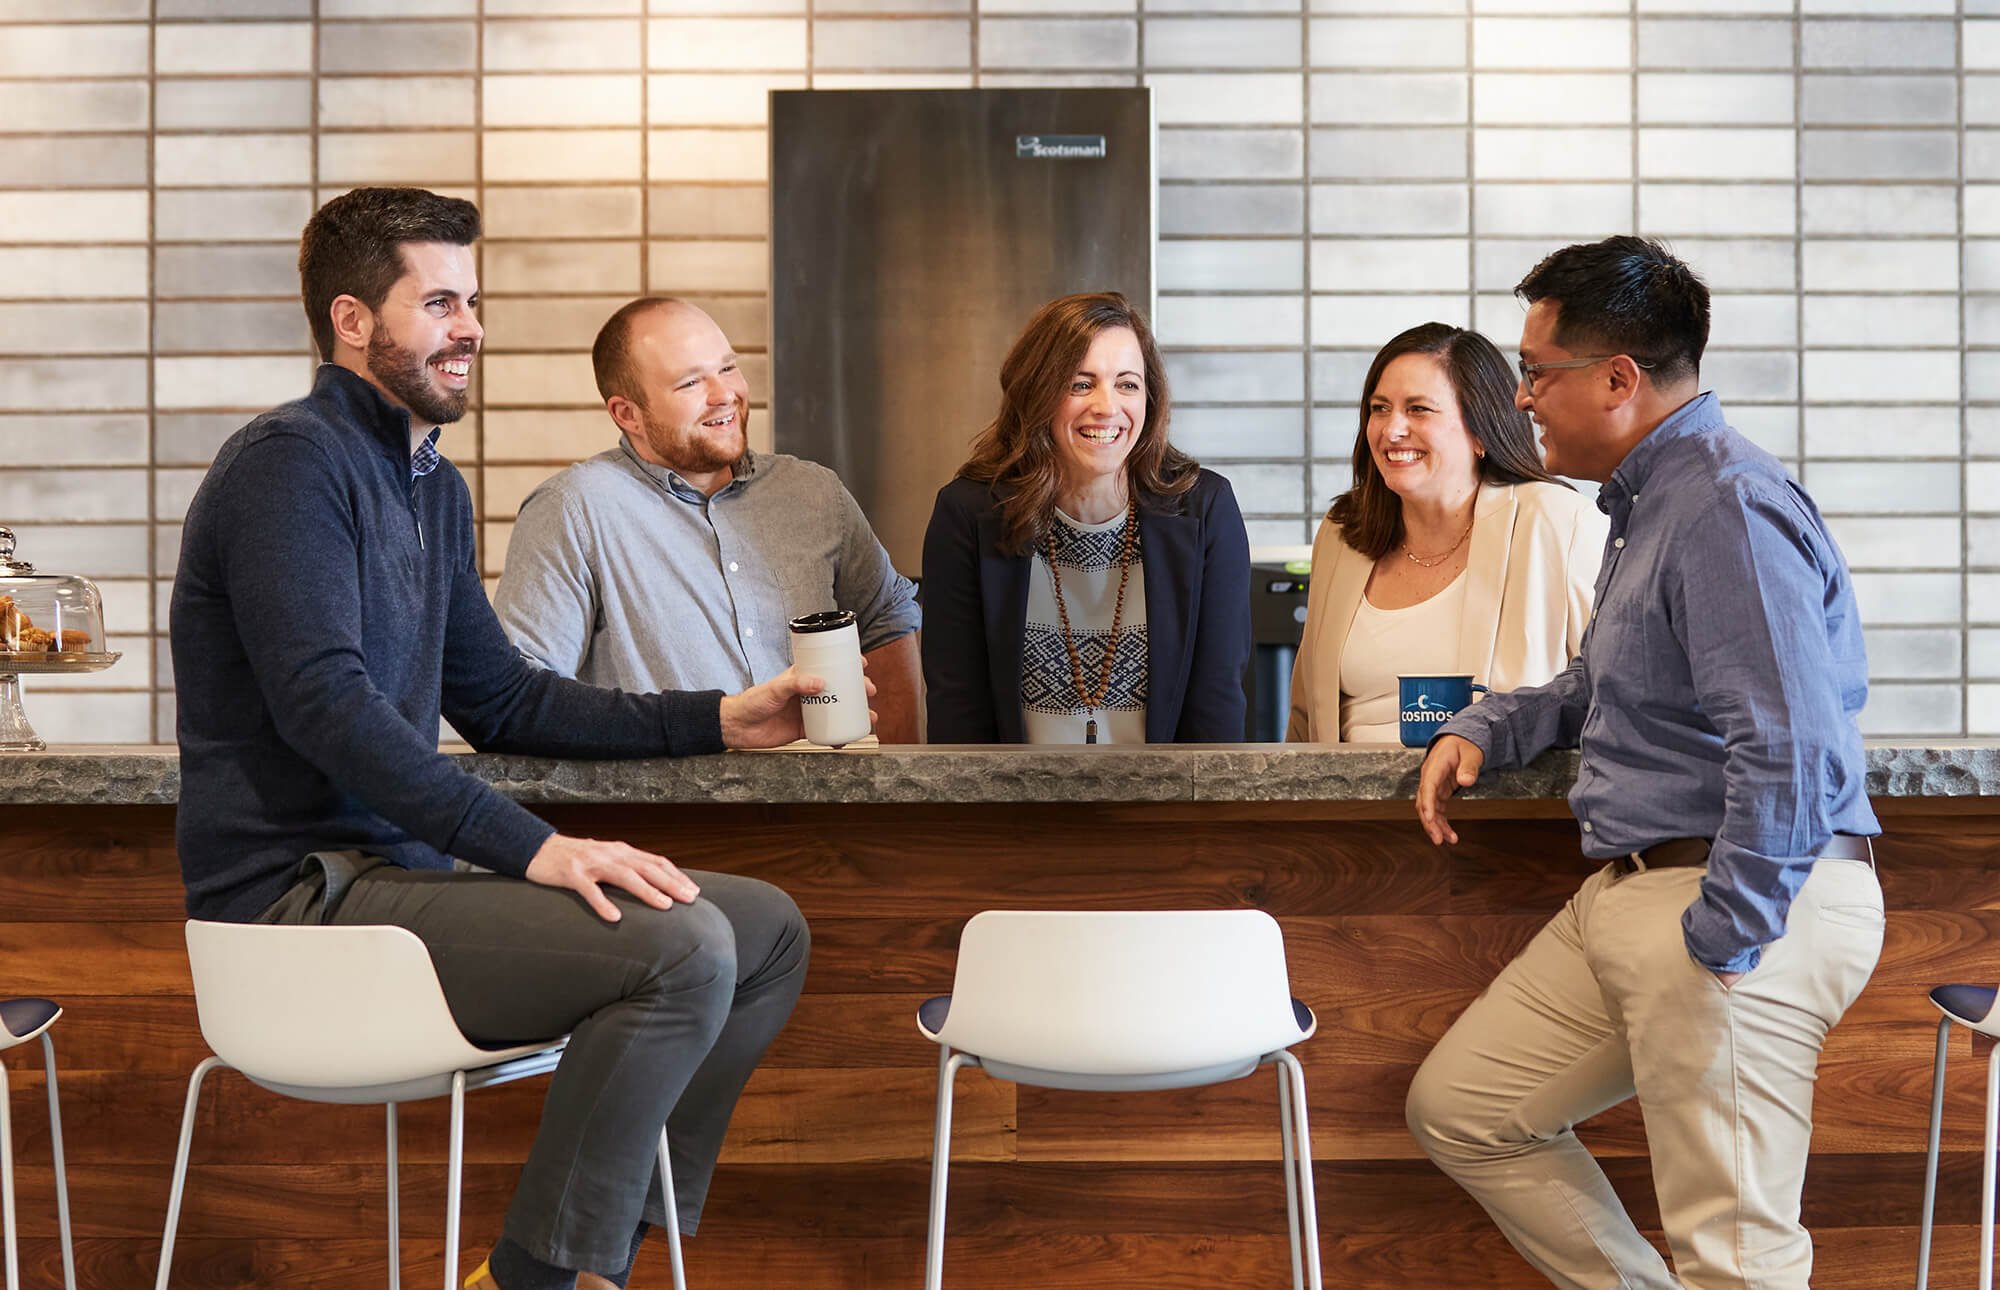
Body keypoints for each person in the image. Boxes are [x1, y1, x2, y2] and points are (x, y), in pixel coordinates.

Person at [170, 188, 855, 1290]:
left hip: (396, 885)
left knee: (761, 930)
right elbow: (324, 707)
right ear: (353, 322)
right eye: (439, 301)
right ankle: (536, 1277)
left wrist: (720, 721)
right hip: (296, 901)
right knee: (680, 949)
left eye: (472, 300)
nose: (471, 326)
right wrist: (536, 848)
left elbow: (503, 699)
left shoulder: (429, 488)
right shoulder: (287, 467)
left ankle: (594, 1263)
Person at [1408, 237, 1883, 1290]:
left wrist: (1726, 935)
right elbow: (1598, 684)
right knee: (1471, 1110)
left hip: (1728, 894)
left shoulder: (1723, 503)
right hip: (1639, 888)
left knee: (1735, 1256)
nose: (1520, 397)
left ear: (1618, 380)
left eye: (1536, 371)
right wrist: (1485, 725)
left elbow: (1791, 745)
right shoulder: (1643, 503)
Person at [494, 297, 922, 743]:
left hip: (823, 809)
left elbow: (886, 624)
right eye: (690, 383)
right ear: (627, 414)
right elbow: (524, 696)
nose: (724, 395)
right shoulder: (573, 510)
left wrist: (895, 790)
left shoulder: (815, 494)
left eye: (727, 367)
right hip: (668, 812)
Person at [919, 291, 1250, 744]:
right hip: (1015, 808)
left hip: (1163, 808)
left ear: (1149, 399)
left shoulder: (1205, 509)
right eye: (1080, 383)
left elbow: (1216, 712)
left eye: (1127, 384)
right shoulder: (968, 514)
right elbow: (958, 712)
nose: (1107, 406)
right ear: (1039, 393)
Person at [1285, 322, 1605, 743]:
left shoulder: (1559, 521)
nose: (1391, 429)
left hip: (1495, 805)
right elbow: (1305, 718)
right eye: (1379, 408)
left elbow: (1614, 698)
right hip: (1348, 806)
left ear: (1480, 431)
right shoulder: (1344, 531)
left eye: (1418, 409)